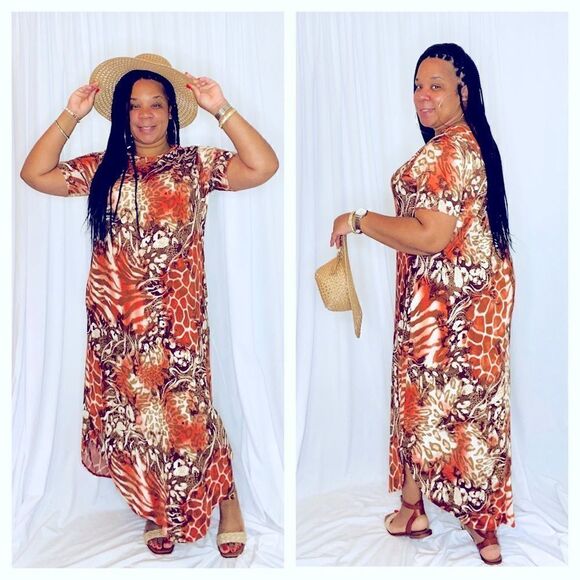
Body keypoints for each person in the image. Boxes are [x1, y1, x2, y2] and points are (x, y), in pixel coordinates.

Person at [20, 53, 279, 558]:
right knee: (138, 422)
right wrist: (71, 114)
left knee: (189, 415)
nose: (145, 115)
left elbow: (263, 165)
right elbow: (35, 173)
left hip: (177, 322)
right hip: (116, 326)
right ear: (122, 114)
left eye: (156, 104)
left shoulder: (194, 165)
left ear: (171, 112)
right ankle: (156, 506)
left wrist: (220, 106)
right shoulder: (103, 170)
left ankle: (227, 501)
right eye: (134, 105)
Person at [330, 43, 515, 565]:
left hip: (445, 308)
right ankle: (436, 515)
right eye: (417, 85)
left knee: (438, 407)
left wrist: (359, 220)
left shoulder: (445, 151)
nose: (423, 95)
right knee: (460, 406)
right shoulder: (468, 144)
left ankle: (469, 520)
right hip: (474, 302)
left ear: (464, 92)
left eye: (436, 85)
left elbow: (431, 236)